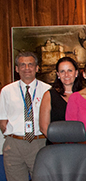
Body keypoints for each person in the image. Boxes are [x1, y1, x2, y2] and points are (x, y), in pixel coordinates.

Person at [0, 52, 51, 180]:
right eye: (22, 65)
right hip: (14, 145)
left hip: (39, 143)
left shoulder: (48, 90)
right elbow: (3, 121)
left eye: (30, 64)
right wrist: (14, 135)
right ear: (17, 69)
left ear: (37, 68)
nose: (27, 68)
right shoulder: (6, 91)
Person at [39, 57, 83, 145]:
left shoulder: (85, 95)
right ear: (58, 74)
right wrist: (61, 143)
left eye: (70, 70)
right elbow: (44, 127)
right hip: (56, 147)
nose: (66, 74)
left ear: (76, 73)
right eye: (62, 71)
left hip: (81, 147)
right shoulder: (49, 95)